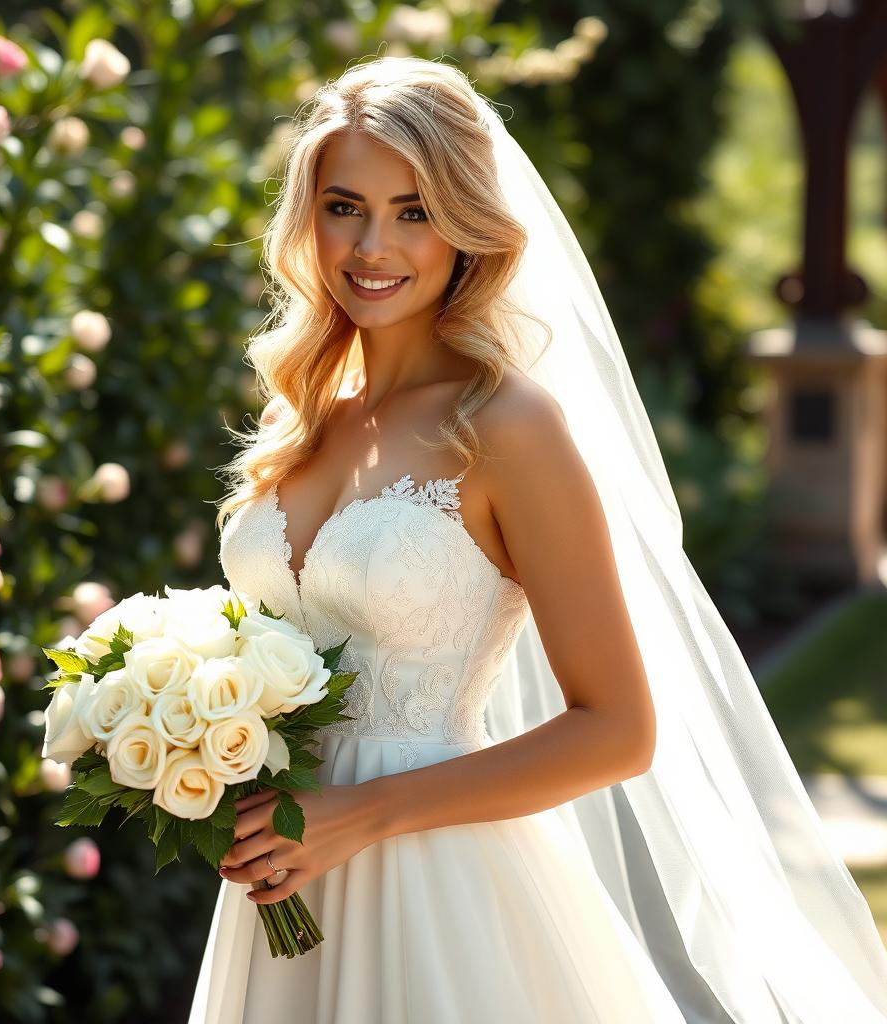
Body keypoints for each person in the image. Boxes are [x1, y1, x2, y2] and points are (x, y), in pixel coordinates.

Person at [189, 55, 887, 1024]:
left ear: (467, 224)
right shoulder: (299, 419)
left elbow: (618, 729)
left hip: (440, 893)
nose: (372, 243)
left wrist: (360, 813)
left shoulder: (507, 425)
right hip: (281, 893)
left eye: (415, 209)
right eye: (345, 205)